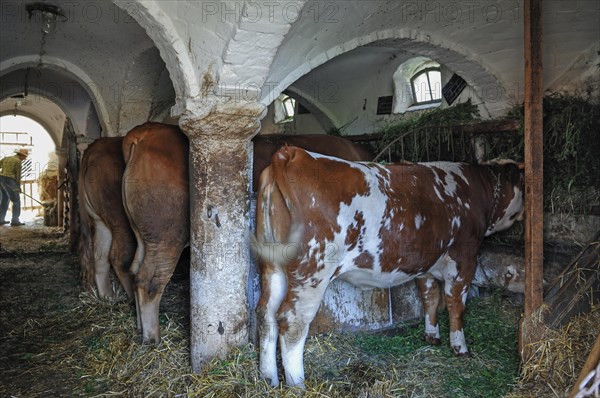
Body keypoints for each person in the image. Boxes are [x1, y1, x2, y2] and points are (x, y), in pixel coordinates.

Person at [0, 148, 29, 226]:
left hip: (1, 179)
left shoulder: (6, 158)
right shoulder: (18, 161)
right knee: (16, 201)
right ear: (21, 155)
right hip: (10, 180)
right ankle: (15, 220)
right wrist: (18, 186)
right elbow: (18, 175)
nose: (25, 159)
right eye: (24, 157)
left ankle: (0, 219)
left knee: (5, 199)